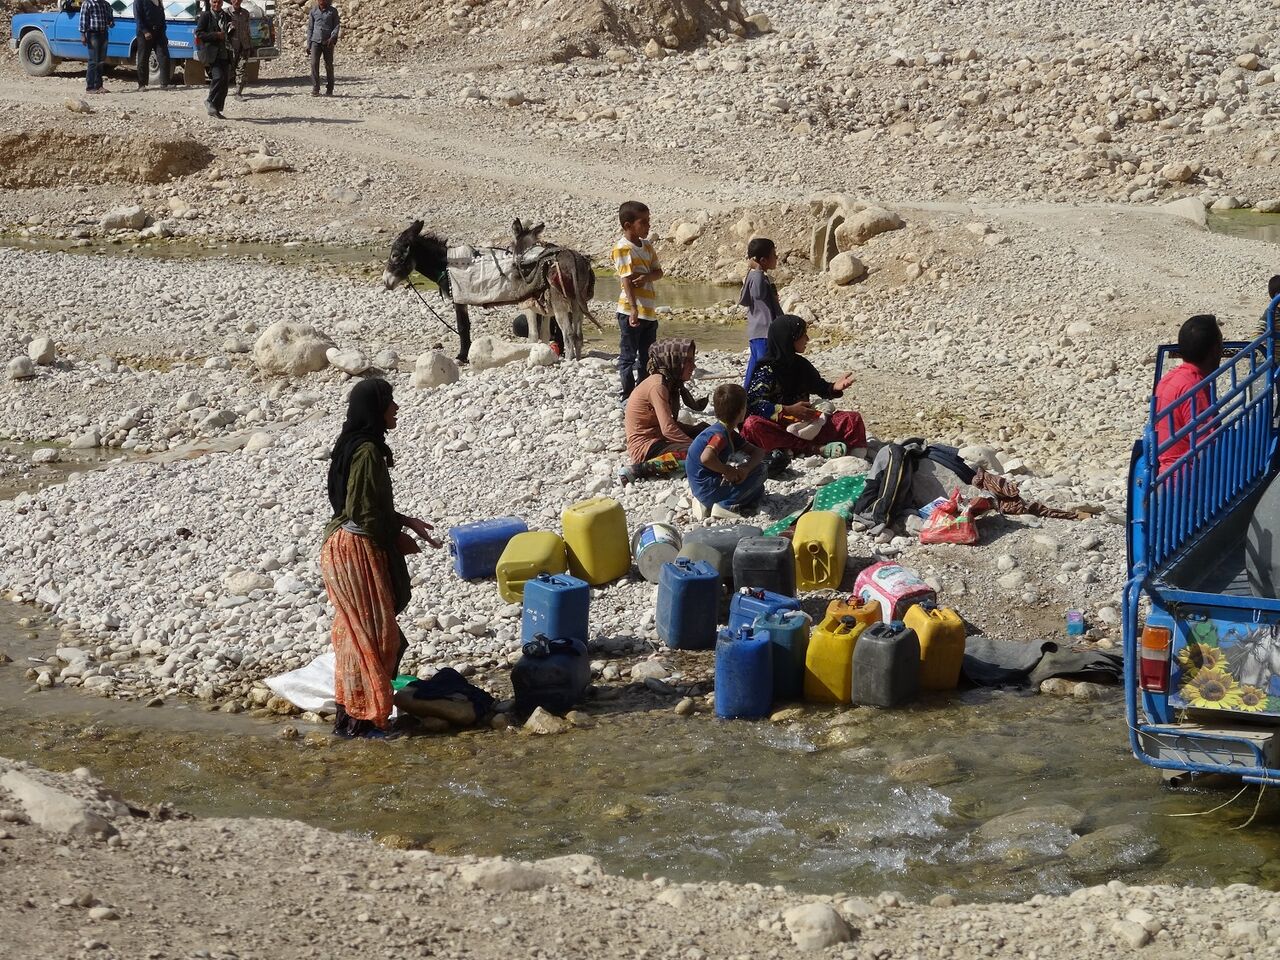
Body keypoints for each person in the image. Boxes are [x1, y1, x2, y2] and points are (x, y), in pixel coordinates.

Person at [321, 379, 441, 739]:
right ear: (376, 409)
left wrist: (405, 521)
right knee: (376, 637)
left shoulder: (351, 445)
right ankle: (366, 718)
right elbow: (364, 513)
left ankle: (351, 718)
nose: (396, 408)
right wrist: (395, 537)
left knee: (355, 635)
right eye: (391, 402)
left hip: (339, 547)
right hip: (355, 551)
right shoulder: (368, 451)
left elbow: (358, 505)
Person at [742, 314, 866, 457]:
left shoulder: (801, 365)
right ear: (789, 338)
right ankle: (815, 449)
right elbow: (753, 404)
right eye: (803, 335)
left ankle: (794, 449)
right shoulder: (766, 370)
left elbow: (821, 387)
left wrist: (834, 388)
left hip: (806, 425)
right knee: (752, 425)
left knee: (852, 418)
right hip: (779, 428)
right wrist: (787, 410)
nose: (807, 339)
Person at [619, 338, 708, 484]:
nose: (694, 366)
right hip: (645, 447)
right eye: (689, 361)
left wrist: (696, 430)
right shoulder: (658, 386)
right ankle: (639, 470)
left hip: (658, 437)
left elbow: (668, 424)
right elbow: (668, 429)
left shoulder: (669, 382)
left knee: (705, 430)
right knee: (700, 454)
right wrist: (694, 444)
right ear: (674, 360)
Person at [1154, 314, 1222, 474]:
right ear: (1214, 350)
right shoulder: (1196, 388)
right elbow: (1207, 448)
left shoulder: (1169, 378)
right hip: (1189, 485)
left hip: (1166, 476)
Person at [687, 384, 768, 520]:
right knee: (762, 471)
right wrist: (728, 470)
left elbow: (758, 452)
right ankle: (724, 506)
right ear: (741, 411)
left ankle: (713, 503)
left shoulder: (725, 431)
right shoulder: (720, 435)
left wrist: (745, 469)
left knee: (759, 490)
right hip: (707, 488)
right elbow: (706, 458)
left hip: (702, 486)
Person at [612, 200, 663, 402]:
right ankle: (627, 395)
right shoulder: (623, 249)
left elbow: (658, 272)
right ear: (628, 225)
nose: (648, 226)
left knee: (647, 357)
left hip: (648, 311)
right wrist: (633, 308)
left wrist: (647, 277)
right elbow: (626, 279)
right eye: (644, 222)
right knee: (628, 356)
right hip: (631, 311)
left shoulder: (648, 246)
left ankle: (642, 394)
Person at [739, 237, 782, 387]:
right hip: (764, 333)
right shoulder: (757, 276)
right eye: (774, 255)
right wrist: (757, 269)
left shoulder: (755, 276)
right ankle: (761, 402)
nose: (776, 258)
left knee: (753, 370)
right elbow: (757, 294)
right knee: (764, 372)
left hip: (756, 333)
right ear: (763, 260)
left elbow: (744, 299)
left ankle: (745, 400)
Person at [195, 0, 232, 118]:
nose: (217, 5)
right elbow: (199, 33)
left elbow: (229, 33)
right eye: (215, 2)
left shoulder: (226, 16)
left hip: (224, 53)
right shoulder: (206, 16)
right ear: (211, 2)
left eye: (219, 3)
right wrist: (215, 35)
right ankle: (209, 101)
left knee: (225, 82)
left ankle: (216, 109)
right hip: (212, 53)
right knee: (218, 77)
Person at [79, 0, 114, 94]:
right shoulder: (88, 4)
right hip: (93, 34)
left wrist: (111, 22)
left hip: (104, 33)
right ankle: (90, 87)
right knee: (93, 61)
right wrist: (82, 34)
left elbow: (110, 17)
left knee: (101, 61)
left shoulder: (105, 4)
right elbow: (83, 19)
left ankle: (99, 85)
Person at [308, 0, 341, 97]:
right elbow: (310, 28)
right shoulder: (313, 11)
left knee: (328, 65)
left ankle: (330, 88)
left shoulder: (333, 11)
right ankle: (315, 88)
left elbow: (336, 25)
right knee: (314, 63)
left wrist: (333, 37)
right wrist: (308, 44)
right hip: (315, 41)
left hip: (328, 42)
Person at [133, 0, 168, 90]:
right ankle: (142, 84)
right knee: (143, 58)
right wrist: (145, 31)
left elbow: (162, 15)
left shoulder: (158, 1)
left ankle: (164, 83)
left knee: (164, 56)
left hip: (159, 32)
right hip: (145, 33)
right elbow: (138, 17)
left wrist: (163, 30)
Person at [226, 0, 253, 98]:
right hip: (231, 47)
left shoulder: (245, 13)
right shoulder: (226, 13)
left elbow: (248, 29)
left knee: (241, 69)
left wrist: (250, 44)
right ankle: (222, 91)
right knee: (228, 71)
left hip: (244, 46)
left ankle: (238, 92)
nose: (236, 1)